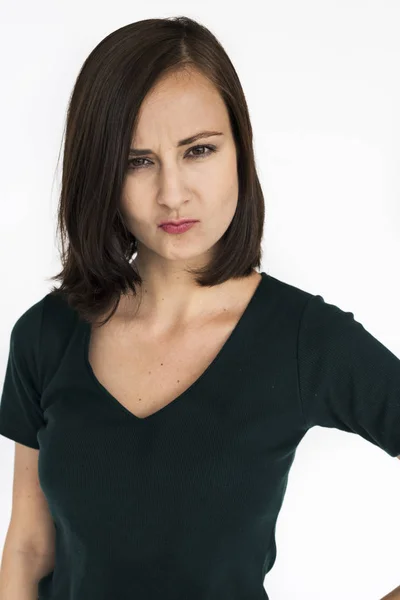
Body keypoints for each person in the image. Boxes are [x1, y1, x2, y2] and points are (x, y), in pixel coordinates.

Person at [0, 16, 399, 600]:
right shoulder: (46, 334)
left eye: (199, 150)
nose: (172, 193)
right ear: (101, 173)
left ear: (240, 150)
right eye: (138, 161)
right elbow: (30, 549)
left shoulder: (302, 340)